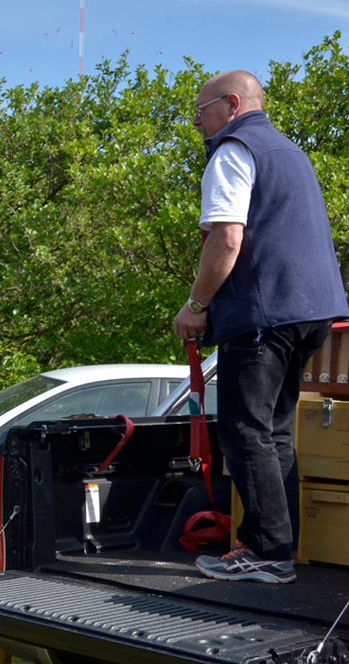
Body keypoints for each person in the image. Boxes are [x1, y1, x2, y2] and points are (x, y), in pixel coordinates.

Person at [173, 70, 349, 584]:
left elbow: (227, 240)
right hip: (315, 312)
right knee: (273, 430)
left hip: (263, 313)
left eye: (201, 110)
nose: (198, 123)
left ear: (231, 104)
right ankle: (278, 547)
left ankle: (266, 551)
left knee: (244, 429)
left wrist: (196, 305)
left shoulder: (233, 150)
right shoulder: (292, 154)